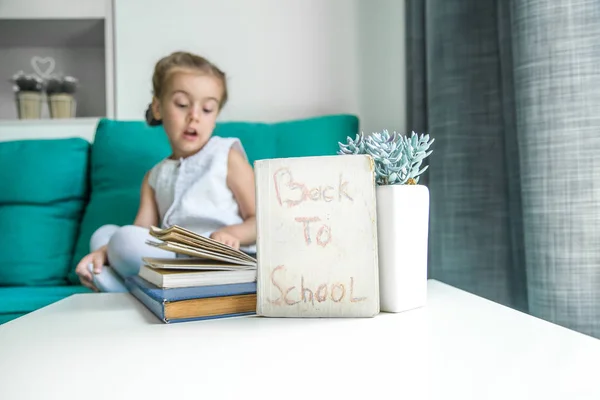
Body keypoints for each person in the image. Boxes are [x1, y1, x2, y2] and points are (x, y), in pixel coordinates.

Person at [75, 51, 256, 292]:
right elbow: (142, 232)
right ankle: (137, 288)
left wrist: (232, 233)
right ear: (158, 108)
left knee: (120, 240)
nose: (194, 116)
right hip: (173, 261)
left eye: (207, 109)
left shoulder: (226, 156)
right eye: (182, 104)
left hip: (221, 261)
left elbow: (261, 220)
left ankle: (126, 288)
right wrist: (104, 251)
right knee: (104, 235)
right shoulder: (154, 175)